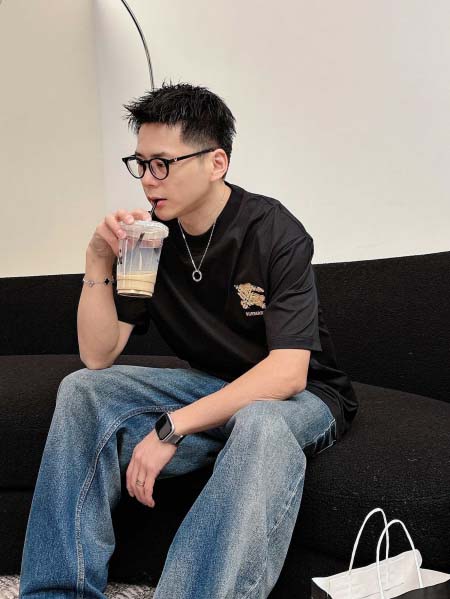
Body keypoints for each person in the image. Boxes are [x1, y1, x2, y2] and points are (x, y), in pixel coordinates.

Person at [19, 82, 358, 599]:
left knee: (260, 422)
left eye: (163, 164)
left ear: (216, 162)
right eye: (140, 164)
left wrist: (172, 427)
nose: (148, 180)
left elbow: (288, 373)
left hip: (304, 395)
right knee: (82, 389)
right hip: (212, 385)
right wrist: (97, 259)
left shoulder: (274, 232)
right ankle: (56, 593)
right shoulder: (150, 240)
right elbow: (98, 353)